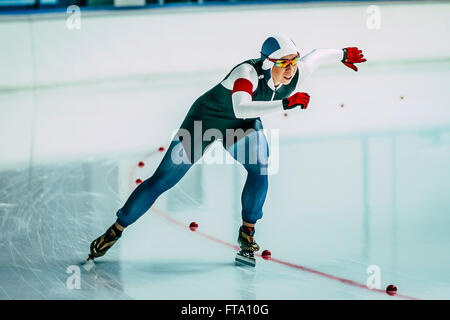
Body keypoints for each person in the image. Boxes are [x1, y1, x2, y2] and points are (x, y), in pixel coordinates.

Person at [88, 34, 366, 265]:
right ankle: (117, 229)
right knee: (163, 180)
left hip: (241, 126)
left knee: (261, 169)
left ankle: (248, 231)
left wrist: (343, 53)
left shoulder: (297, 73)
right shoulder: (246, 73)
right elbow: (240, 106)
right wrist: (285, 104)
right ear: (269, 63)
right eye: (284, 62)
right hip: (204, 121)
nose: (291, 68)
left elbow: (317, 54)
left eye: (293, 61)